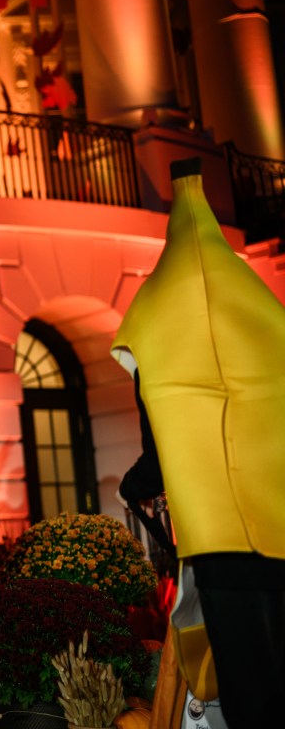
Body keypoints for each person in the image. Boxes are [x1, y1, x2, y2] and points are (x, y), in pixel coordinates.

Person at [111, 158, 285, 729]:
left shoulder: (154, 315)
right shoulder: (265, 311)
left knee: (245, 684)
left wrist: (134, 486)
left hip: (218, 541)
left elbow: (160, 454)